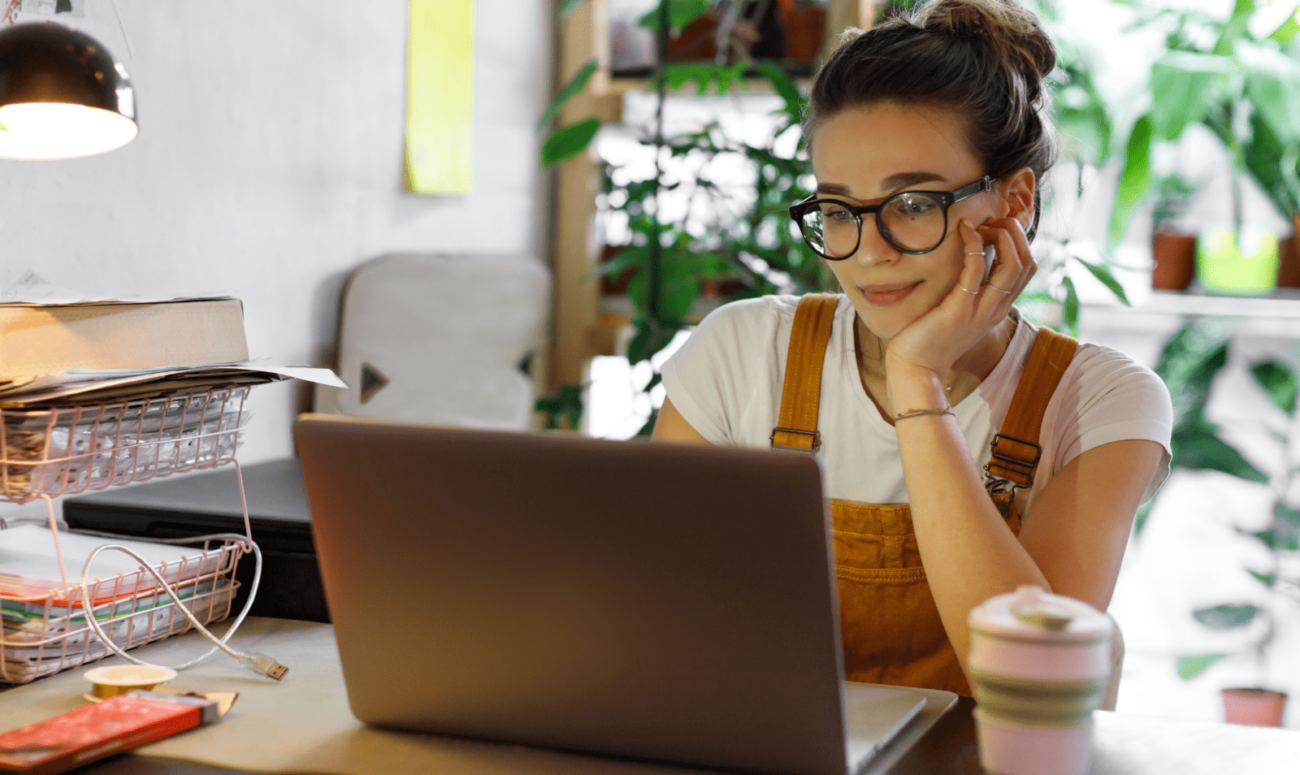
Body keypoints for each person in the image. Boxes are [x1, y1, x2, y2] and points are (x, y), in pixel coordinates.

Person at [651, 0, 1173, 697]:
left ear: (1014, 201)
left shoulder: (1101, 401)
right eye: (839, 212)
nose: (868, 253)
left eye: (914, 204)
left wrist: (917, 382)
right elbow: (650, 619)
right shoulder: (743, 350)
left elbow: (1037, 682)